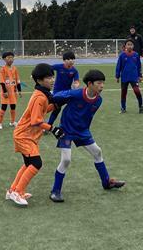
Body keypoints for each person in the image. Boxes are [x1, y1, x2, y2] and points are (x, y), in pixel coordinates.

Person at [49, 69, 125, 203]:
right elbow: (55, 97)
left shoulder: (98, 100)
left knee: (97, 152)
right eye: (99, 83)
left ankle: (107, 182)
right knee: (66, 160)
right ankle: (55, 191)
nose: (102, 86)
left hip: (82, 132)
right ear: (89, 84)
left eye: (103, 83)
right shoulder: (75, 94)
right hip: (66, 131)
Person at [6, 63, 63, 207]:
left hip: (25, 135)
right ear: (39, 80)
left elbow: (42, 111)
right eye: (48, 78)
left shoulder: (42, 94)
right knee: (36, 163)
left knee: (28, 163)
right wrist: (53, 129)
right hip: (24, 136)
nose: (52, 80)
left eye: (53, 77)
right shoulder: (40, 97)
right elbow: (36, 121)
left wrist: (56, 105)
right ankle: (18, 192)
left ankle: (12, 190)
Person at [47, 50, 81, 125]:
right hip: (57, 92)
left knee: (73, 105)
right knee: (56, 108)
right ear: (64, 60)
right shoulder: (59, 67)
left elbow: (76, 81)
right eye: (68, 59)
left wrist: (76, 84)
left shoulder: (74, 71)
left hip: (67, 92)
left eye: (72, 59)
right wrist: (36, 73)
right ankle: (48, 123)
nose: (71, 61)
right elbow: (47, 68)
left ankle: (71, 124)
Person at [115, 39, 143, 113]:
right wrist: (117, 76)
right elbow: (118, 66)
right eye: (128, 44)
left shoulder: (136, 55)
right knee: (123, 93)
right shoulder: (122, 55)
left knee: (137, 91)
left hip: (134, 77)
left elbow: (139, 66)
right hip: (124, 77)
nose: (130, 46)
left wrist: (140, 76)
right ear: (125, 46)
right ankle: (123, 108)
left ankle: (141, 106)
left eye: (131, 44)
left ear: (133, 46)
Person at [0, 51, 21, 129]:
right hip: (6, 92)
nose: (10, 59)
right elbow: (2, 82)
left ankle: (12, 122)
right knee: (4, 107)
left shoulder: (15, 69)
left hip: (13, 92)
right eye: (8, 58)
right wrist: (5, 91)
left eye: (12, 58)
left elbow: (17, 80)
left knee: (13, 106)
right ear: (4, 59)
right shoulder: (2, 69)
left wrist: (19, 91)